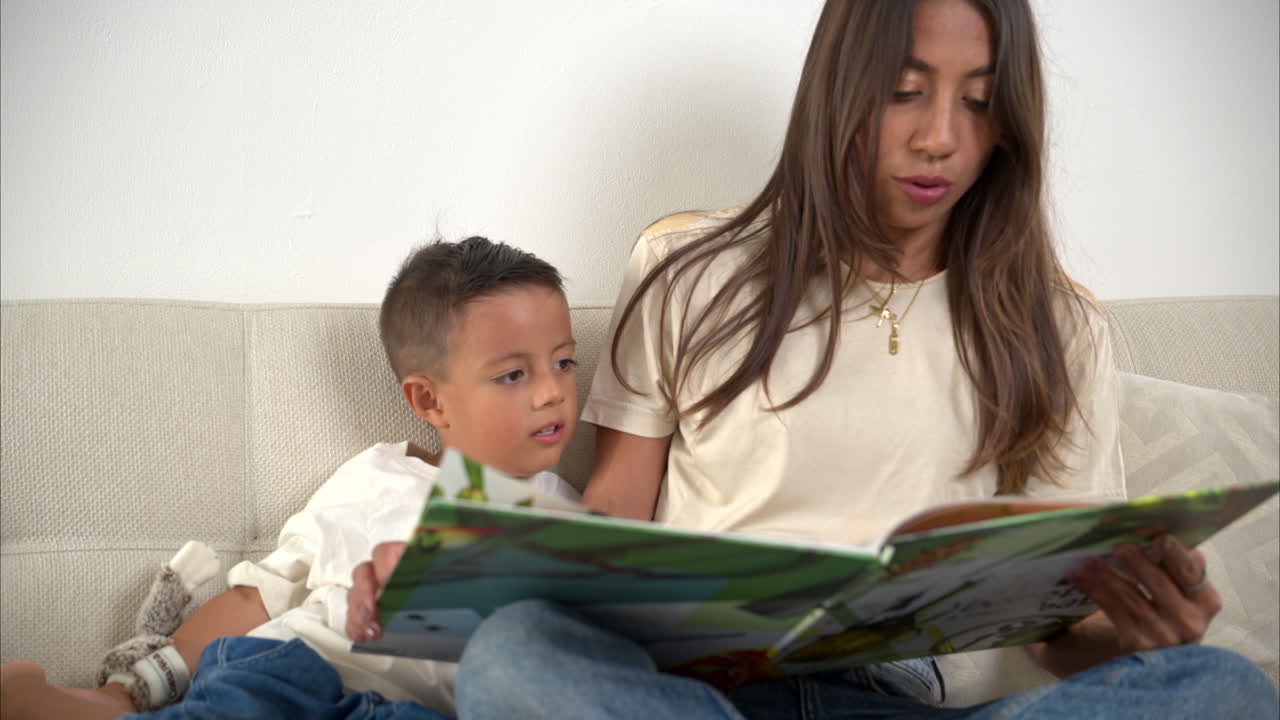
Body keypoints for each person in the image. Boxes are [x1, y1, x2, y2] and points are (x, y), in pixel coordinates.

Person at [435, 1, 1277, 718]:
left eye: (979, 103)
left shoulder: (1059, 326)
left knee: (1222, 687)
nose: (941, 138)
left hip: (930, 701)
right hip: (714, 698)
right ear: (839, 90)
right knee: (514, 654)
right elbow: (616, 518)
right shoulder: (686, 269)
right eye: (906, 93)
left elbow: (1058, 632)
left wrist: (1135, 634)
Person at [0, 236, 581, 720]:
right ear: (429, 399)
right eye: (513, 375)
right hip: (296, 678)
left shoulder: (572, 516)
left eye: (563, 362)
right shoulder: (380, 478)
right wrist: (134, 686)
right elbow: (263, 592)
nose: (553, 390)